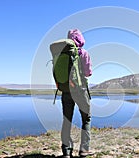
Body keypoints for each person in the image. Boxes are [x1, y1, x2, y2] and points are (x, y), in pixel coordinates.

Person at [61, 29, 93, 158]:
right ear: (80, 38)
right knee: (86, 119)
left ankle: (66, 152)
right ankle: (84, 150)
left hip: (66, 91)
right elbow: (88, 73)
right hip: (80, 91)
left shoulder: (62, 53)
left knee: (67, 120)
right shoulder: (83, 53)